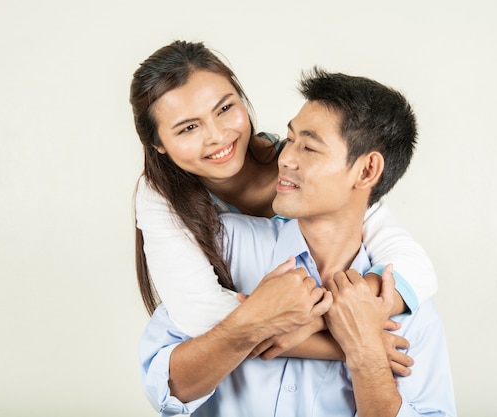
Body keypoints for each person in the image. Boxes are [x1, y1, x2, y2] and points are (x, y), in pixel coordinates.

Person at [139, 68, 456, 417]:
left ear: (366, 171)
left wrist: (365, 353)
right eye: (290, 140)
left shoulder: (406, 307)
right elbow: (164, 387)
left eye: (308, 147)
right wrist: (258, 320)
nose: (285, 158)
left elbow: (414, 264)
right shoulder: (217, 246)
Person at [130, 40, 438, 339]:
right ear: (157, 143)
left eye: (224, 108)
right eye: (188, 128)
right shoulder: (160, 196)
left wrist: (338, 312)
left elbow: (415, 269)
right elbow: (202, 316)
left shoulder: (306, 168)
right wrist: (350, 344)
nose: (217, 135)